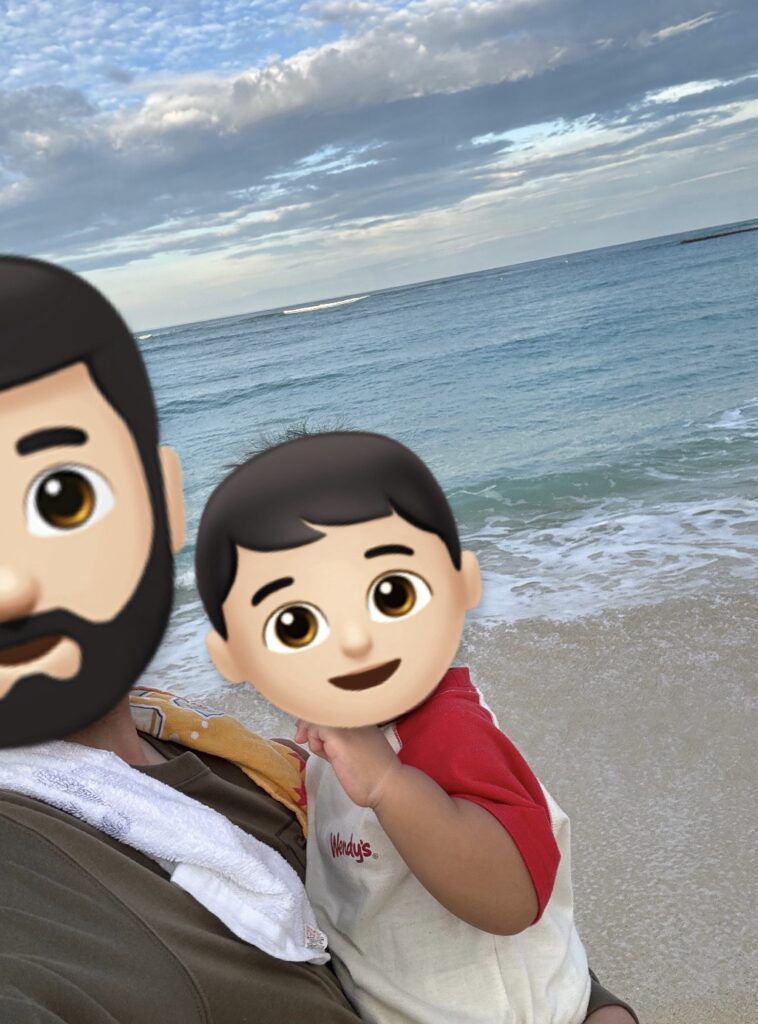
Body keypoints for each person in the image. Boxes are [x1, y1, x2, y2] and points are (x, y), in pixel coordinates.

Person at [0, 256, 635, 1022]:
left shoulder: (230, 748)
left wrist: (594, 1004)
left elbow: (505, 905)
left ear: (157, 505)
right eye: (297, 621)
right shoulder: (29, 902)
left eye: (61, 496)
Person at [196, 431, 639, 1024]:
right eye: (297, 624)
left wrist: (388, 784)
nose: (356, 641)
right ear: (234, 657)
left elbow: (511, 898)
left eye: (391, 593)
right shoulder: (345, 735)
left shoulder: (446, 730)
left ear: (461, 586)